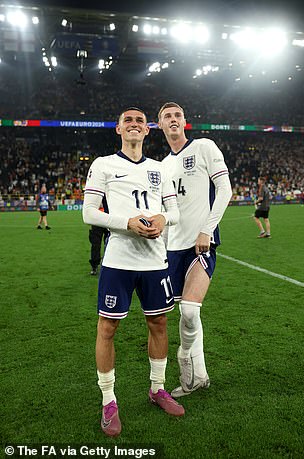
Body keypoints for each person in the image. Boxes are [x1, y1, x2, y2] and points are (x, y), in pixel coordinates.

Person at [82, 107, 184, 438]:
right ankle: (109, 400)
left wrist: (162, 220)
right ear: (118, 129)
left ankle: (157, 389)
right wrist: (124, 223)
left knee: (158, 322)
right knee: (108, 328)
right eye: (128, 120)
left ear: (147, 130)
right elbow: (88, 213)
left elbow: (175, 211)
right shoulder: (103, 165)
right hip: (118, 262)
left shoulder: (159, 169)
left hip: (155, 262)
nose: (135, 125)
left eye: (140, 121)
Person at [158, 102, 232, 398]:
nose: (173, 119)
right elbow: (164, 209)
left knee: (189, 309)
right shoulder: (161, 166)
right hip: (172, 249)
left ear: (185, 121)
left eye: (177, 115)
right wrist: (160, 248)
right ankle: (199, 376)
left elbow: (225, 189)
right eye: (167, 116)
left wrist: (208, 229)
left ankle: (184, 359)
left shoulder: (204, 146)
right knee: (187, 313)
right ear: (159, 125)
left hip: (201, 243)